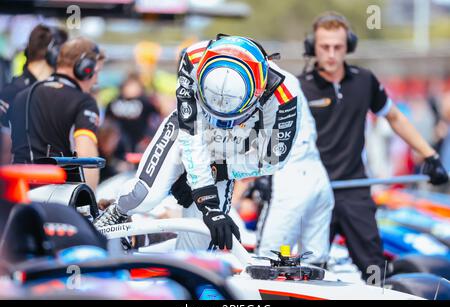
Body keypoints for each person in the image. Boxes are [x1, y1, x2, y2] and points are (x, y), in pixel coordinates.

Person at [94, 35, 304, 251]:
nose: (220, 124)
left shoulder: (284, 95)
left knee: (198, 245)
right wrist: (208, 201)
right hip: (188, 131)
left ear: (258, 92)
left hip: (231, 150)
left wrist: (220, 170)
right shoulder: (192, 58)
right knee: (145, 196)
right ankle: (113, 213)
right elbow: (191, 137)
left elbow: (273, 158)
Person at [298, 12, 448, 281]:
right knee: (308, 270)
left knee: (374, 268)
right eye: (324, 47)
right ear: (313, 47)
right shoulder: (299, 88)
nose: (331, 54)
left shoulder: (365, 81)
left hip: (355, 189)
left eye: (338, 47)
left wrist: (430, 155)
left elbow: (394, 117)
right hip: (314, 191)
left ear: (349, 47)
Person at [8, 37, 105, 191]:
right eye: (96, 72)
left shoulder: (22, 96)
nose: (96, 80)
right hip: (54, 197)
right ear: (84, 68)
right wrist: (89, 204)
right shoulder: (84, 102)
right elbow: (87, 158)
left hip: (15, 191)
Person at [253, 84, 334, 265]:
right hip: (317, 175)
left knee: (266, 261)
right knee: (315, 263)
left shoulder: (246, 73)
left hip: (289, 178)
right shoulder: (289, 79)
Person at [0, 24, 68, 164]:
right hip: (21, 181)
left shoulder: (50, 91)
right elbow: (5, 153)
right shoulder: (14, 92)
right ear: (53, 54)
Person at [105, 72, 158, 153]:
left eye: (134, 85)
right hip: (118, 142)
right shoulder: (115, 101)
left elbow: (156, 116)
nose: (131, 89)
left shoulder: (144, 101)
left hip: (139, 141)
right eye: (129, 85)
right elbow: (108, 122)